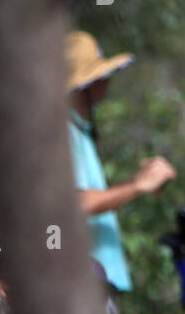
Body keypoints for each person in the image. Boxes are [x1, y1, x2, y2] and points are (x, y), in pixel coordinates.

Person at [66, 31, 176, 296]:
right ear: (86, 84)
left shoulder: (80, 129)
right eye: (101, 75)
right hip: (85, 281)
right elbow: (75, 202)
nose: (107, 80)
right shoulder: (64, 131)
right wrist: (138, 186)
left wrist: (136, 182)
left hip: (99, 278)